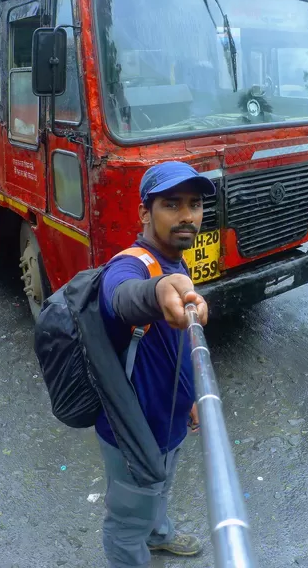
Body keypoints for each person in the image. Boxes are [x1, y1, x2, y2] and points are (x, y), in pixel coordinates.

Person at [96, 161, 213, 567]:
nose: (187, 216)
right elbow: (121, 293)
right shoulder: (133, 265)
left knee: (160, 487)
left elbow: (175, 341)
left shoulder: (176, 260)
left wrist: (192, 397)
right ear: (144, 213)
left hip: (171, 421)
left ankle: (159, 535)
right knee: (127, 521)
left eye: (195, 204)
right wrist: (159, 290)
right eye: (171, 204)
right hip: (133, 433)